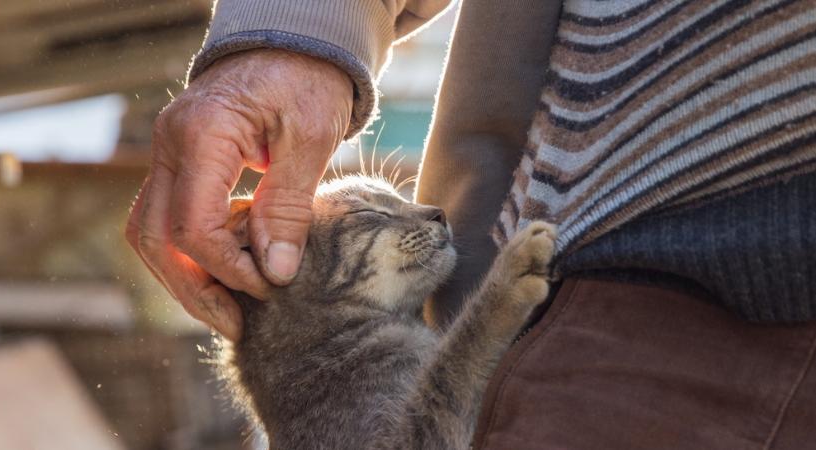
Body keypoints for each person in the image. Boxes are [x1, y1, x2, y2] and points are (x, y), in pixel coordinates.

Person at [126, 1, 816, 448]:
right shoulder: (327, 374)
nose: (425, 213)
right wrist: (299, 29)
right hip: (626, 276)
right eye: (378, 213)